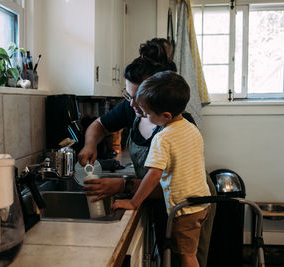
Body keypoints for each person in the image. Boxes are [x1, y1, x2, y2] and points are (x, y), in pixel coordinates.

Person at [78, 38, 215, 266]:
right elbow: (98, 126)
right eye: (128, 95)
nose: (131, 105)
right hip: (159, 197)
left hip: (187, 199)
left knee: (185, 258)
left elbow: (175, 184)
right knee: (167, 255)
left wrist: (124, 186)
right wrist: (89, 144)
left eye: (136, 97)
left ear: (156, 95)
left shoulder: (177, 127)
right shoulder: (136, 107)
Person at [112, 71, 211, 267]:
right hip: (202, 203)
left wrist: (133, 202)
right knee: (188, 254)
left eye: (148, 114)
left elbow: (154, 175)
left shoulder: (163, 137)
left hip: (184, 209)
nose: (145, 117)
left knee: (187, 256)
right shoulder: (190, 128)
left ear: (165, 116)